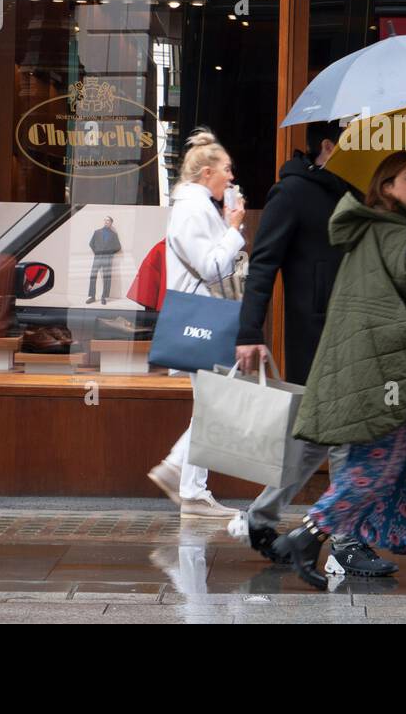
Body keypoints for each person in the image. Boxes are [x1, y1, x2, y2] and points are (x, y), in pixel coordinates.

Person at [274, 151, 406, 590]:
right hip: (392, 377)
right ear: (386, 187)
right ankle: (306, 536)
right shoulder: (386, 228)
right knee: (378, 469)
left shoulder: (396, 227)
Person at [232, 121, 394, 578]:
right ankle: (345, 543)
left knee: (311, 444)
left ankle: (259, 521)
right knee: (343, 437)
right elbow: (263, 266)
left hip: (356, 335)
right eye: (352, 145)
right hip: (317, 336)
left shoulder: (355, 195)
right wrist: (249, 332)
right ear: (328, 146)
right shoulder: (294, 193)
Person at [147, 128, 244, 518]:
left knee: (213, 402)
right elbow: (214, 266)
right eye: (226, 170)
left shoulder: (200, 206)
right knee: (219, 403)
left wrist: (228, 224)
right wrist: (233, 228)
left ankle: (191, 488)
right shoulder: (193, 208)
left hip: (206, 315)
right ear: (206, 173)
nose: (231, 177)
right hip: (205, 317)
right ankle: (178, 471)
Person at [85, 215, 121, 304]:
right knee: (93, 276)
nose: (106, 222)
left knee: (107, 278)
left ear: (111, 223)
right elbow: (91, 243)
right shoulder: (97, 232)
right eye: (105, 220)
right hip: (97, 257)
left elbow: (118, 247)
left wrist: (110, 254)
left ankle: (103, 297)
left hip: (107, 259)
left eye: (108, 221)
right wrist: (96, 251)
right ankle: (92, 296)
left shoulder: (114, 235)